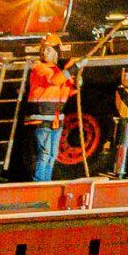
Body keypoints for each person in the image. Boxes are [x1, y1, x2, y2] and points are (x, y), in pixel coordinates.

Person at [25, 32, 76, 181]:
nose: (43, 52)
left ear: (56, 52)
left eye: (48, 49)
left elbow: (68, 90)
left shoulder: (57, 71)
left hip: (54, 120)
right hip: (42, 118)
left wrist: (75, 78)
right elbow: (54, 81)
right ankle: (40, 183)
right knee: (45, 154)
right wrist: (74, 68)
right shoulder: (39, 67)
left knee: (52, 155)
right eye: (43, 49)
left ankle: (46, 183)